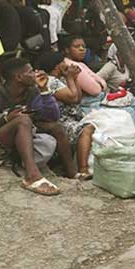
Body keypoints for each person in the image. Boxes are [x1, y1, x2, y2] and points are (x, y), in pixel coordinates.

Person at [0, 58, 77, 195]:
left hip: (23, 134)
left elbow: (52, 117)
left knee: (56, 127)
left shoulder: (31, 91)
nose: (35, 74)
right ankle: (32, 175)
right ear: (19, 77)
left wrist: (44, 91)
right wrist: (5, 119)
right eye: (30, 72)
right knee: (23, 120)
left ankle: (72, 173)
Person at [35, 52, 96, 181]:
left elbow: (78, 98)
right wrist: (70, 78)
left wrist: (74, 78)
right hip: (60, 119)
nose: (67, 65)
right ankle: (83, 169)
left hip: (71, 116)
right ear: (57, 66)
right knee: (87, 129)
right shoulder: (51, 81)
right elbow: (73, 98)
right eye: (63, 62)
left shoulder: (60, 79)